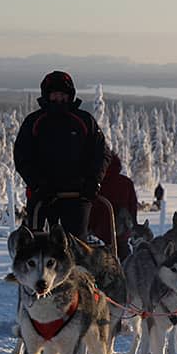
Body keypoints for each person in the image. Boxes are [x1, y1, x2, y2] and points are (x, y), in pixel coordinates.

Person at [14, 70, 108, 239]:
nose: (59, 99)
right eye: (55, 94)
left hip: (78, 193)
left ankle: (77, 263)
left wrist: (94, 180)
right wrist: (37, 183)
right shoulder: (34, 122)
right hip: (43, 193)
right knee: (35, 244)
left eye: (63, 94)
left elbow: (101, 153)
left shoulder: (84, 121)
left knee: (76, 244)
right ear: (47, 95)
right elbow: (22, 156)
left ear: (70, 95)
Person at [89, 152, 140, 260]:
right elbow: (132, 209)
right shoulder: (126, 183)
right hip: (121, 234)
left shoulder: (95, 184)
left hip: (98, 234)